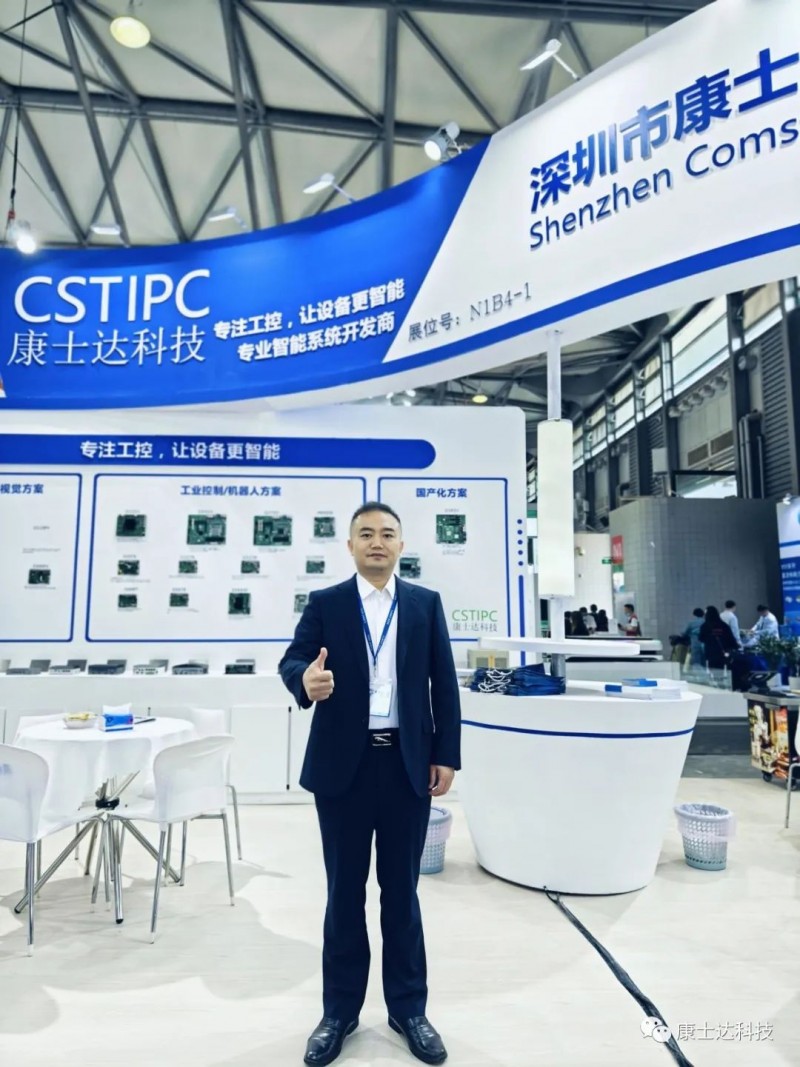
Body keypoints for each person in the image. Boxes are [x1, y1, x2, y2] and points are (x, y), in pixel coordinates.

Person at [279, 501, 460, 1067]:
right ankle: (339, 1013)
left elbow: (443, 683)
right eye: (365, 534)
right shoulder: (327, 603)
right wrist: (306, 681)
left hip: (406, 766)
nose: (376, 542)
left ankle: (409, 1010)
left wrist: (446, 754)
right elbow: (293, 661)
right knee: (344, 894)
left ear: (401, 545)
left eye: (387, 534)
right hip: (344, 770)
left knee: (401, 894)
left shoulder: (425, 604)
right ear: (351, 545)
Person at [699, 605, 738, 671]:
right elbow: (730, 639)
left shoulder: (704, 626)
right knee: (723, 670)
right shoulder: (724, 625)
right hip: (722, 652)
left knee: (712, 670)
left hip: (710, 653)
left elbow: (701, 638)